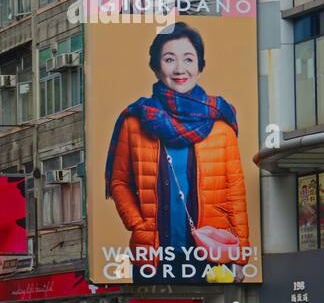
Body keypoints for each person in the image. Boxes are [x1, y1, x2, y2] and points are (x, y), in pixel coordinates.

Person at [106, 22, 248, 281]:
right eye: (169, 59)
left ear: (200, 65)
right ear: (156, 67)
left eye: (189, 59)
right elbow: (119, 181)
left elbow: (235, 193)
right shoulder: (135, 121)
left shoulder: (221, 124)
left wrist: (240, 255)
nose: (180, 69)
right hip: (154, 254)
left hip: (211, 252)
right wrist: (138, 225)